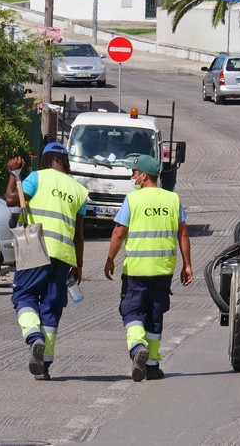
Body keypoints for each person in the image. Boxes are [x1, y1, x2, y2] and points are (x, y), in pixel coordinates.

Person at [104, 154, 192, 382]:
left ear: (144, 176)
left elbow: (118, 232)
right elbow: (182, 233)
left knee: (132, 311)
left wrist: (110, 258)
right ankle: (152, 366)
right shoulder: (173, 200)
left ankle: (137, 348)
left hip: (137, 270)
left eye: (134, 172)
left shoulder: (133, 200)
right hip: (163, 271)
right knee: (154, 315)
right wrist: (188, 265)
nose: (132, 176)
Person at [5, 142, 88, 381]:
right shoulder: (79, 190)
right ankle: (45, 365)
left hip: (35, 248)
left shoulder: (36, 178)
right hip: (63, 254)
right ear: (65, 160)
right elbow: (79, 233)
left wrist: (13, 174)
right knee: (51, 306)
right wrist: (78, 263)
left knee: (24, 296)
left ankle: (34, 337)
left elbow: (11, 199)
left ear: (45, 159)